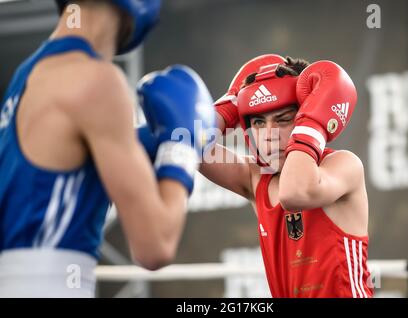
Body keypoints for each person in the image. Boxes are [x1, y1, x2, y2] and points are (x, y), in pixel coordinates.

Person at [0, 0, 215, 297]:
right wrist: (183, 144)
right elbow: (155, 245)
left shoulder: (28, 75)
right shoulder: (97, 80)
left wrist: (141, 146)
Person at [200, 55, 373, 297]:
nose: (269, 134)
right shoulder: (256, 179)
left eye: (283, 120)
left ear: (306, 115)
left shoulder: (343, 165)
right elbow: (190, 145)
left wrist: (314, 124)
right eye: (259, 122)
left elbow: (295, 193)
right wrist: (228, 107)